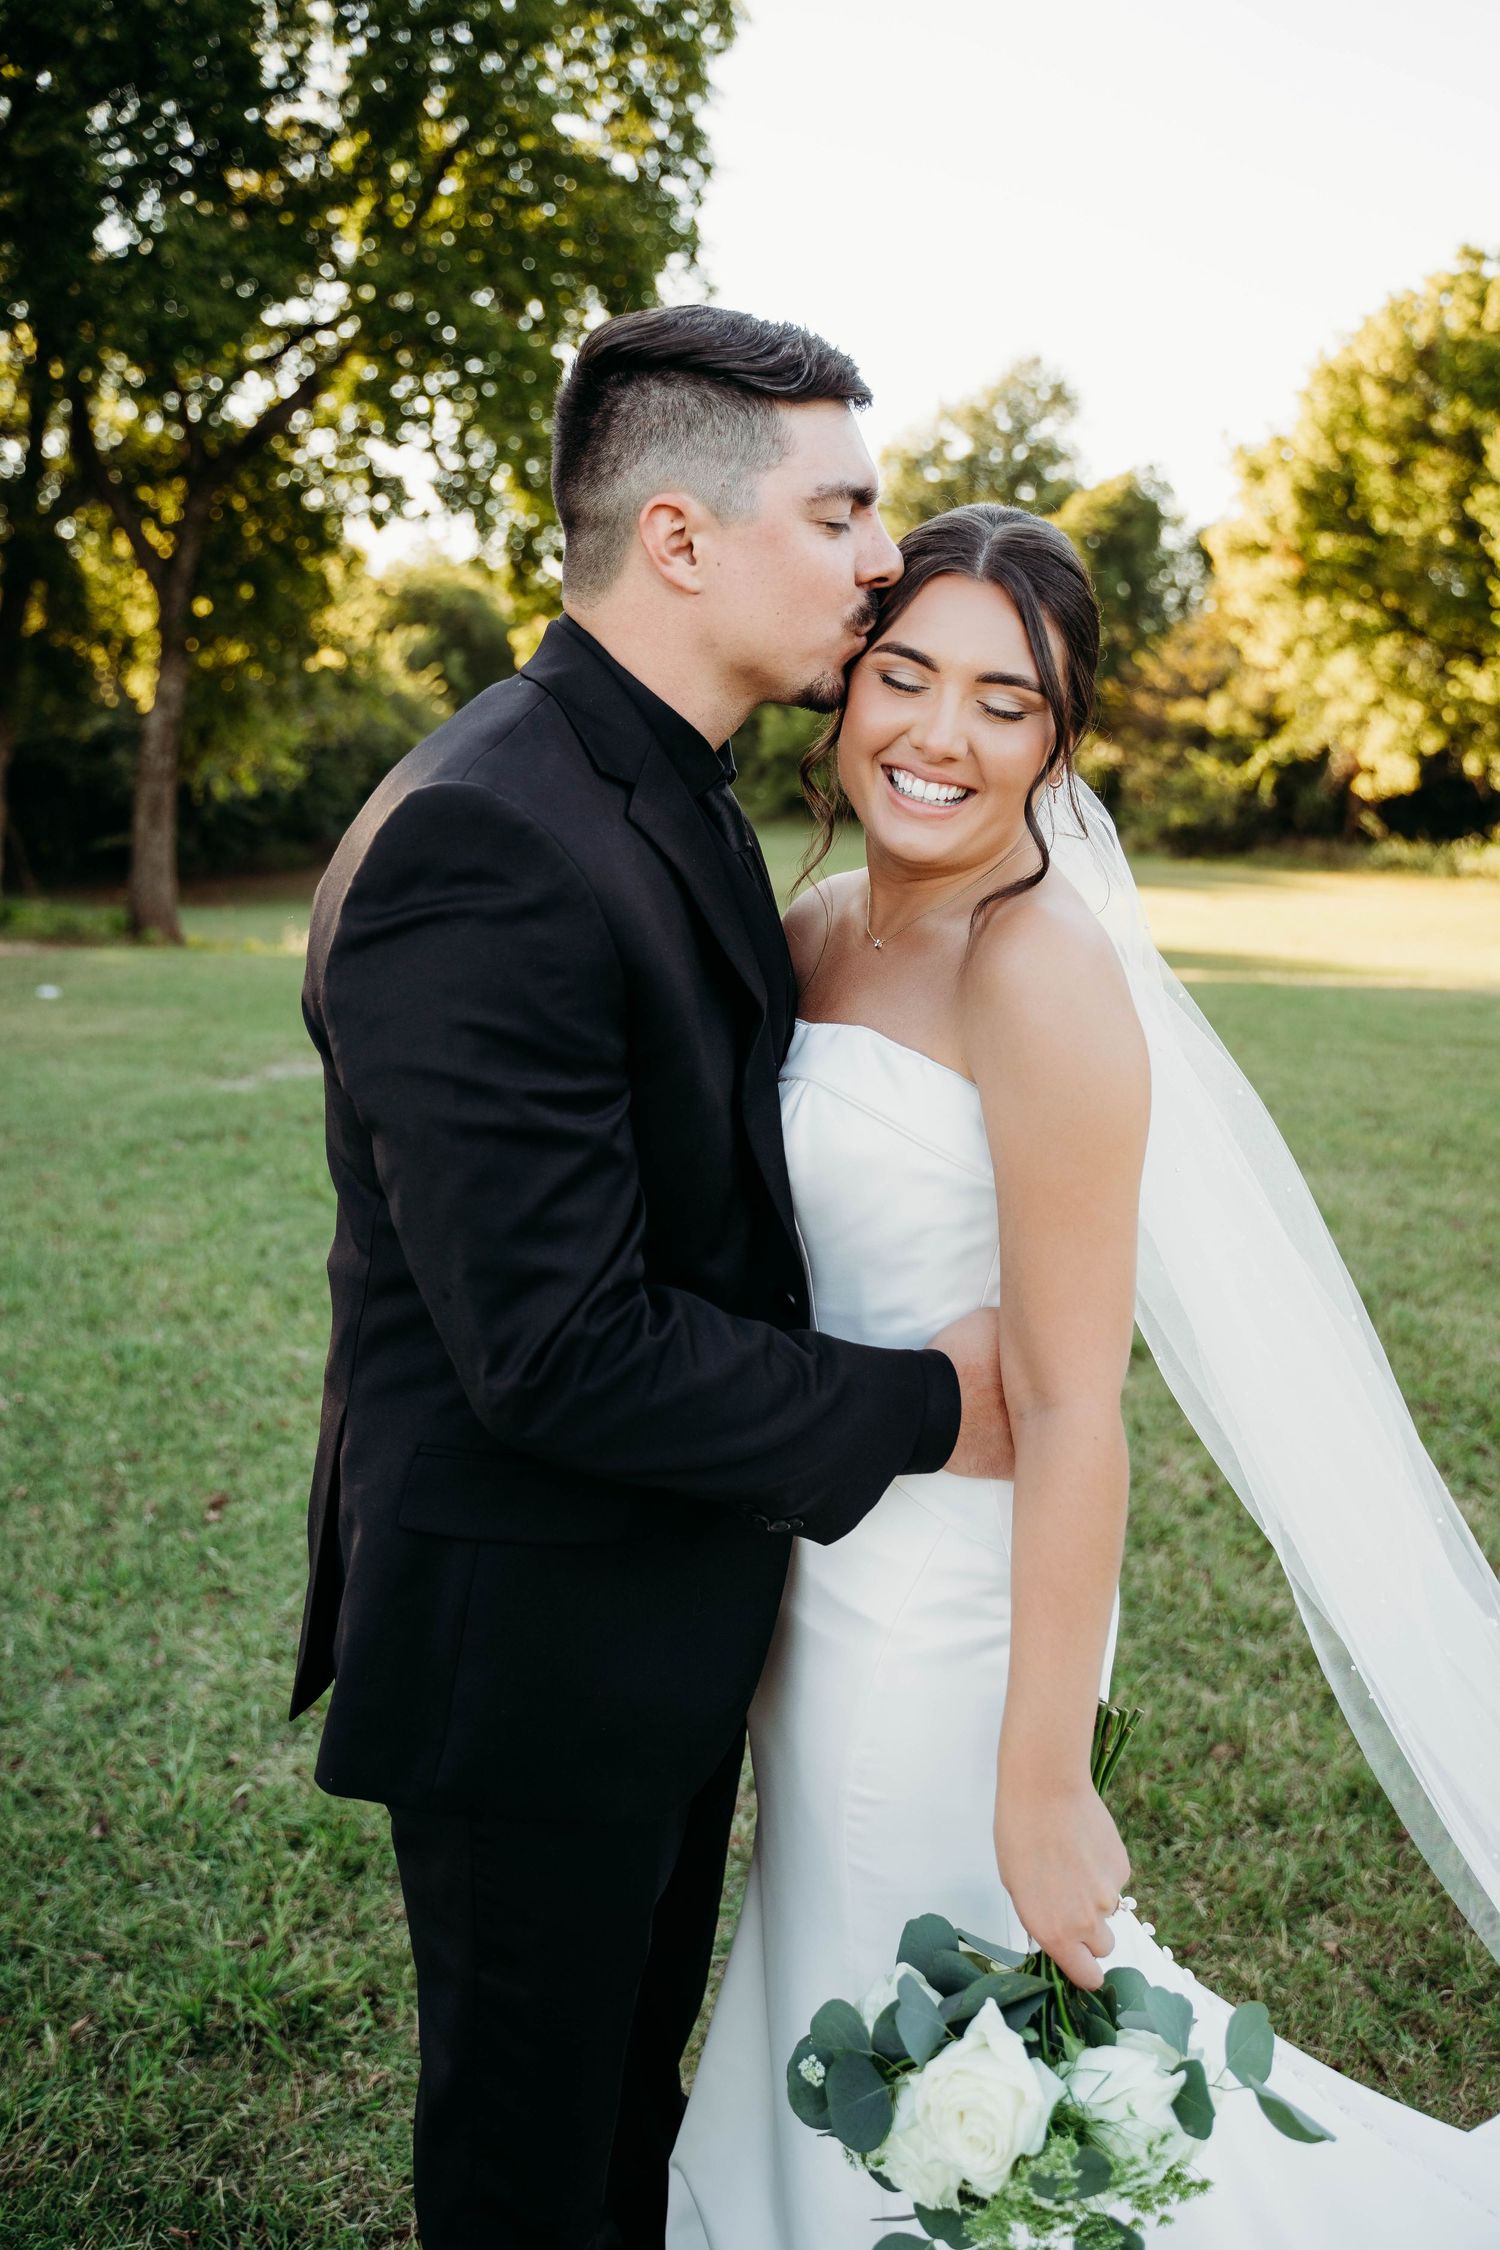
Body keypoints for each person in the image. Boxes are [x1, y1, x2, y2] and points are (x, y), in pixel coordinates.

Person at [666, 504, 1500, 2247]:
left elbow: (1071, 1402)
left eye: (1005, 702)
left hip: (955, 1607)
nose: (940, 735)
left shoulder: (1038, 973)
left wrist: (1044, 1767)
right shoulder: (815, 929)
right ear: (846, 683)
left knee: (941, 2005)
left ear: (1057, 744)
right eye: (905, 675)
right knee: (833, 1960)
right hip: (812, 1563)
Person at [287, 308, 1015, 2250]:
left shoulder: (655, 785)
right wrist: (935, 1399)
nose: (884, 554)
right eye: (843, 508)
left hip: (651, 1614)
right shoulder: (486, 839)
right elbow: (558, 1347)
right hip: (537, 1653)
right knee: (540, 2157)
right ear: (681, 537)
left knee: (627, 2119)